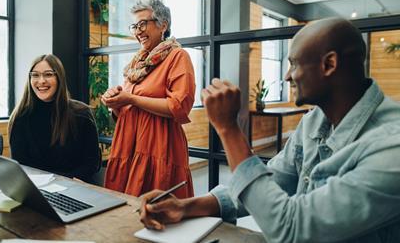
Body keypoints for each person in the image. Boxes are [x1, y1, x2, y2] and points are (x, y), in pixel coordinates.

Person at [139, 18, 400, 243]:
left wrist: (228, 129)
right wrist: (186, 207)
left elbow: (293, 229)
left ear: (329, 64)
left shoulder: (391, 147)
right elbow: (271, 181)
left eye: (294, 64)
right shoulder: (314, 121)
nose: (287, 76)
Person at [102, 0, 195, 198]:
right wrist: (116, 103)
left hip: (159, 148)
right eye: (135, 26)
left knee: (158, 211)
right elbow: (126, 110)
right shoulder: (137, 63)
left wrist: (131, 99)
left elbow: (178, 106)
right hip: (128, 145)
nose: (138, 31)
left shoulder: (178, 57)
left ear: (163, 25)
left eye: (143, 24)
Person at [8, 54, 101, 182]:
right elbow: (20, 164)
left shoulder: (82, 114)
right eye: (35, 75)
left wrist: (68, 181)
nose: (41, 81)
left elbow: (92, 163)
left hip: (73, 187)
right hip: (36, 188)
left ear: (59, 78)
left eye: (48, 74)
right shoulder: (20, 116)